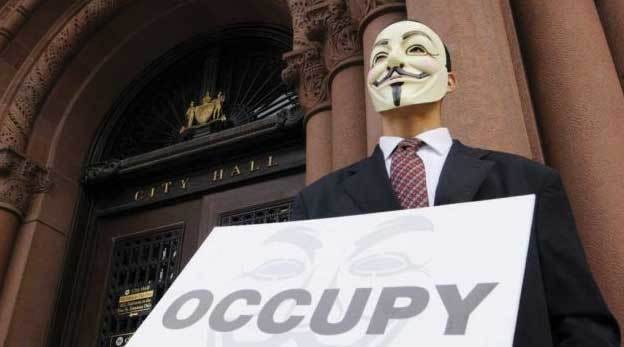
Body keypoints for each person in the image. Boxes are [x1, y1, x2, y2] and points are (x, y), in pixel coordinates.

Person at [290, 20, 620, 346]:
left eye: (416, 49)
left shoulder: (528, 184)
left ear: (450, 80)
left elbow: (580, 322)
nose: (393, 62)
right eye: (379, 57)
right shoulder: (316, 204)